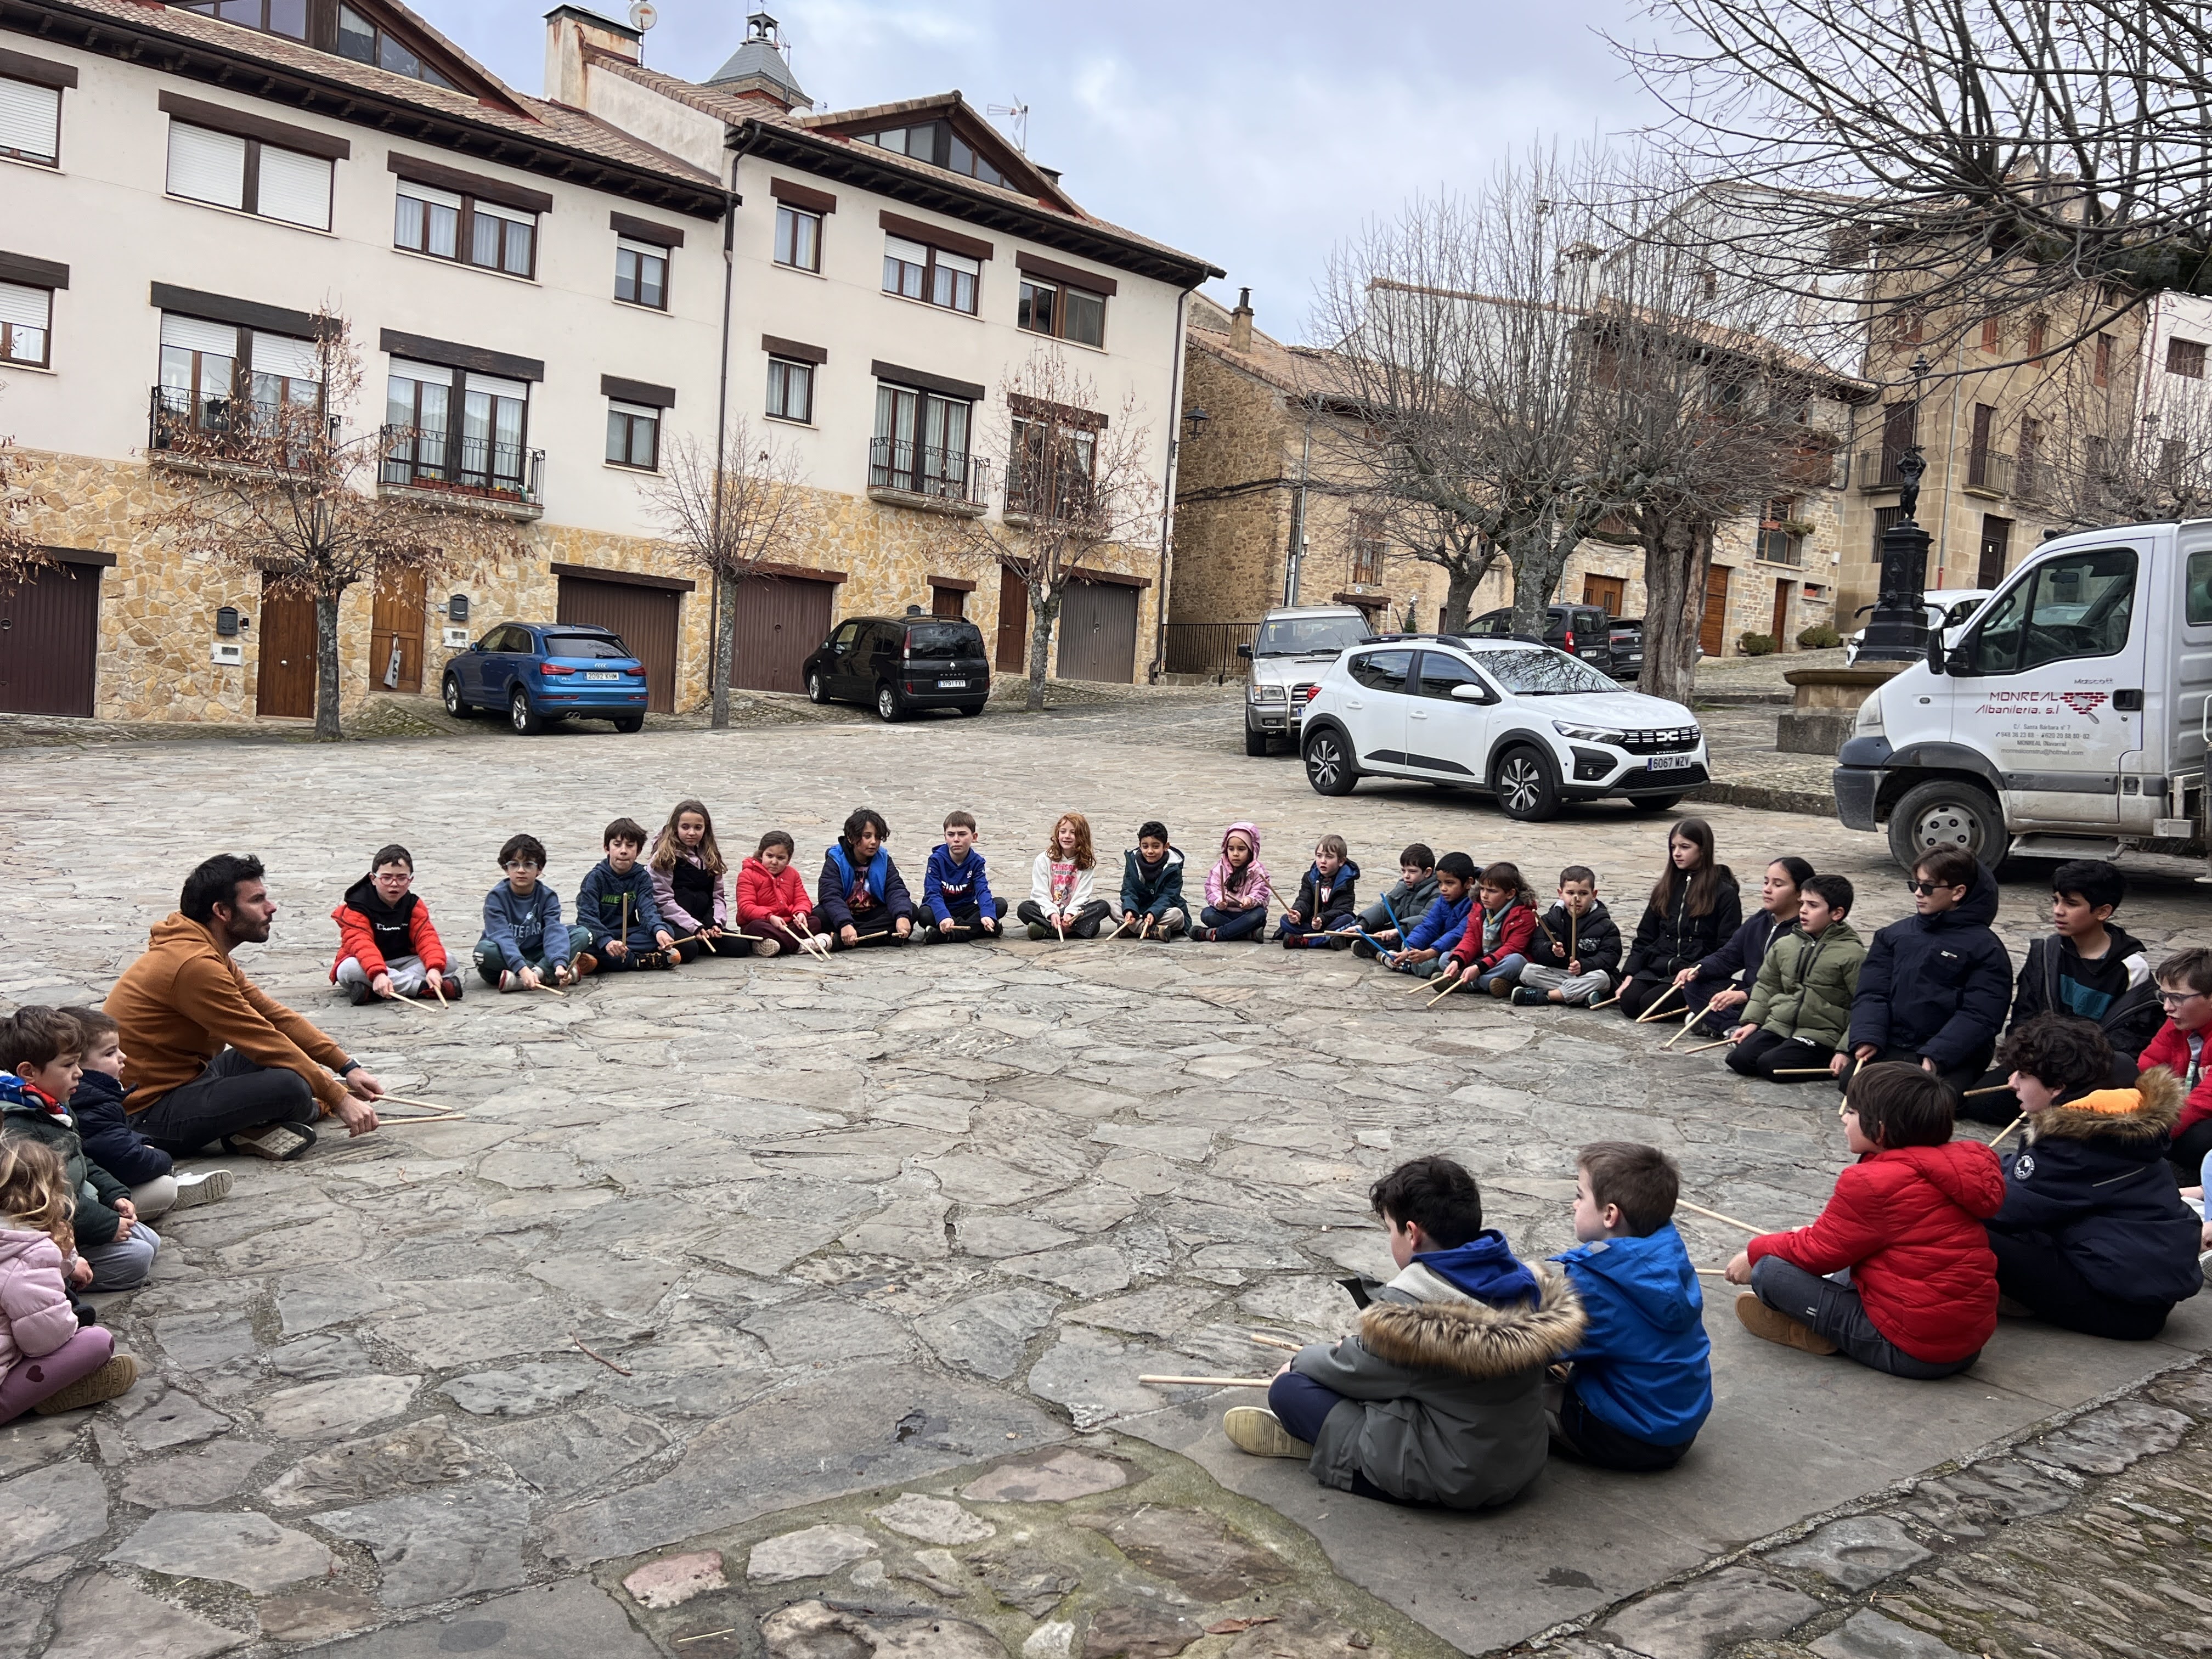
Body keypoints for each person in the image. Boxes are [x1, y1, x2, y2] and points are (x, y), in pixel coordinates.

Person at [1220, 1155, 1585, 1509]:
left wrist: (1298, 1362)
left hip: (1459, 1478)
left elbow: (1349, 1369)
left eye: (1391, 1230)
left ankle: (1341, 1459)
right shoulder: (1519, 1280)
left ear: (1412, 1234)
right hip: (1521, 1461)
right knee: (1408, 1387)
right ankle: (1342, 1441)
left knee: (1290, 1389)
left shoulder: (1415, 1312)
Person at [1726, 1063, 2003, 1379]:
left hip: (1913, 1352)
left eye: (1853, 1112)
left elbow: (1817, 1253)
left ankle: (1823, 1329)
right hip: (1965, 1344)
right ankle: (1825, 1321)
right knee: (1839, 1258)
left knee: (1769, 1272)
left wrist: (1753, 1253)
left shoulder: (1874, 1182)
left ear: (1881, 1129)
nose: (1844, 1117)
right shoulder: (1956, 1164)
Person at [106, 853, 385, 1161]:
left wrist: (347, 1067)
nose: (271, 907)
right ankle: (288, 1114)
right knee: (289, 1084)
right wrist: (338, 1099)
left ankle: (247, 1128)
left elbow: (274, 1018)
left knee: (287, 1057)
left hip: (189, 1080)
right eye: (257, 900)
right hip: (145, 1112)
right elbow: (264, 1041)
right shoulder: (194, 965)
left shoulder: (204, 948)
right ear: (222, 912)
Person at [1985, 1013, 2201, 1339]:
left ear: (2058, 1087)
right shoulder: (2112, 1110)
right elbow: (2024, 1172)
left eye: (2023, 1075)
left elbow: (2004, 1207)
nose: (2012, 1082)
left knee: (1958, 1224)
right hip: (2137, 1287)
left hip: (2119, 1305)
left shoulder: (2075, 1142)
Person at [1547, 1142, 1712, 1471]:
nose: (1573, 1205)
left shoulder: (1597, 1286)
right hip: (1681, 1427)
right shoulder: (1668, 1252)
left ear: (1610, 1215)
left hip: (1629, 1437)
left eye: (1580, 1196)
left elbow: (1543, 1346)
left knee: (1511, 1395)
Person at [1961, 860, 2160, 1124]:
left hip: (2091, 1072)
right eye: (2055, 901)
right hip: (2040, 1064)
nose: (2058, 911)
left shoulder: (2132, 969)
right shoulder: (2046, 953)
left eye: (2071, 904)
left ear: (2103, 911)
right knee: (1975, 1102)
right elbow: (2024, 1017)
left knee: (2086, 1114)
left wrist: (2061, 1076)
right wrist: (2024, 1068)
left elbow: (2126, 1042)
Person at [1, 1008, 159, 1291]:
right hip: (49, 1230)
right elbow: (43, 1201)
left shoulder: (53, 1105)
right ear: (29, 1073)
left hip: (80, 1212)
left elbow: (80, 1159)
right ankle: (58, 1281)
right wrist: (106, 1224)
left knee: (151, 1241)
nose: (80, 1073)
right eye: (68, 1065)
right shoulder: (18, 1129)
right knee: (138, 1257)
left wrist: (114, 1194)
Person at [1835, 847, 2011, 1097]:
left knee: (1926, 1097)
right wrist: (1868, 1037)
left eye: (1928, 887)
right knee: (1855, 1083)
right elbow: (1872, 993)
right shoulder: (1893, 935)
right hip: (1894, 1043)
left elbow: (1981, 1015)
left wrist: (1936, 1056)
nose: (1918, 893)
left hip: (1951, 1053)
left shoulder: (1986, 948)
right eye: (1915, 885)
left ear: (1958, 892)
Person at [0, 1141, 138, 1424]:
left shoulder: (13, 1241)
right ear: (49, 1194)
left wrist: (64, 1259)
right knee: (97, 1342)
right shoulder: (29, 1255)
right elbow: (44, 1342)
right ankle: (38, 1395)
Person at [59, 1008, 229, 1215]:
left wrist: (143, 1144)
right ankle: (173, 1190)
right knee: (164, 1190)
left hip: (101, 1180)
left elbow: (115, 1138)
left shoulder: (94, 1094)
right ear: (76, 1064)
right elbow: (125, 1161)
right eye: (110, 1053)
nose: (123, 1057)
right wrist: (163, 1159)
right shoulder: (90, 1101)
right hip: (92, 1197)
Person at [1725, 874, 1864, 1083]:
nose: (1803, 910)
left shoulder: (1853, 955)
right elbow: (1767, 985)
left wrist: (1844, 1050)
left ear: (1837, 913)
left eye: (1813, 905)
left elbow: (1863, 1005)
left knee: (1770, 1066)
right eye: (1802, 903)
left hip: (1821, 1034)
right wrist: (1754, 1021)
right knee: (1739, 1059)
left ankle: (1829, 1063)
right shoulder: (1786, 945)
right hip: (1781, 1026)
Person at [1673, 857, 1814, 1039]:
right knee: (1695, 985)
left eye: (1778, 885)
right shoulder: (1760, 920)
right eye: (1766, 882)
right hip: (1750, 993)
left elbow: (1791, 986)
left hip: (1776, 998)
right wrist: (1697, 969)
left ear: (1800, 893)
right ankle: (1732, 1027)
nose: (1767, 889)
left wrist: (1745, 995)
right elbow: (1728, 955)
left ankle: (1724, 1025)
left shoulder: (1805, 931)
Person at [1618, 820, 1742, 1022]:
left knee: (1649, 1005)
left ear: (1703, 849)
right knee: (1629, 1003)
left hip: (1692, 974)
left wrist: (1699, 971)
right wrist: (1630, 973)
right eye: (1673, 847)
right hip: (1656, 967)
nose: (1677, 853)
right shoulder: (1665, 888)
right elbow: (1645, 937)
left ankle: (1697, 1001)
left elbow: (1728, 947)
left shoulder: (1724, 893)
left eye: (1685, 847)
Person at [330, 844, 460, 1005]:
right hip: (366, 963)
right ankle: (421, 989)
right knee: (348, 969)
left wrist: (434, 968)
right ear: (373, 879)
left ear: (411, 879)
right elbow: (362, 945)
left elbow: (427, 939)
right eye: (386, 878)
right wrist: (378, 974)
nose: (394, 884)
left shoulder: (414, 905)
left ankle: (374, 991)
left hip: (403, 964)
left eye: (401, 878)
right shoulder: (356, 907)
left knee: (448, 961)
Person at [475, 834, 593, 991]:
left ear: (539, 869)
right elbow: (501, 935)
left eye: (528, 864)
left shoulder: (547, 896)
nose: (521, 870)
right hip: (506, 954)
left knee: (583, 934)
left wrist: (559, 963)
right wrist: (522, 968)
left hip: (538, 953)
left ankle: (533, 977)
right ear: (506, 868)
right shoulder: (496, 897)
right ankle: (546, 976)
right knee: (483, 952)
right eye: (514, 864)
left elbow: (553, 930)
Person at [2142, 947, 2212, 1179]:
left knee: (2200, 1139)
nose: (2167, 1007)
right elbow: (2149, 1066)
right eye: (2164, 996)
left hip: (2200, 1116)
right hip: (2184, 1106)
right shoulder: (2178, 1023)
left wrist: (2148, 1132)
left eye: (2178, 998)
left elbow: (2204, 1102)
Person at [1513, 866, 1624, 1009]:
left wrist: (1584, 965)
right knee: (1528, 971)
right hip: (1561, 973)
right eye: (1570, 893)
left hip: (1589, 975)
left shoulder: (1605, 925)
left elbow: (1610, 956)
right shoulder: (1551, 920)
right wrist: (1551, 950)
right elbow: (1536, 949)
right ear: (1560, 893)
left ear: (1594, 894)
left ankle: (1549, 996)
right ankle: (1581, 996)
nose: (1576, 899)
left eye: (1583, 893)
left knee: (1602, 978)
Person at [578, 818, 681, 970]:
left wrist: (659, 930)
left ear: (638, 851)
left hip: (630, 935)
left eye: (630, 845)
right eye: (617, 844)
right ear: (607, 848)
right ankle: (638, 961)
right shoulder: (595, 878)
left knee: (666, 930)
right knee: (577, 938)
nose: (624, 850)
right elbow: (587, 917)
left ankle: (605, 961)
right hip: (602, 934)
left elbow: (648, 911)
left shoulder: (642, 877)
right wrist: (607, 941)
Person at [1436, 862, 1538, 997]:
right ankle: (1491, 983)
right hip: (1482, 959)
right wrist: (1458, 961)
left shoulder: (1524, 916)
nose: (1484, 895)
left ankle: (1467, 984)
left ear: (1510, 894)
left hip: (1501, 961)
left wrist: (1479, 968)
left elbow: (1512, 948)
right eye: (1483, 889)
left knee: (1516, 961)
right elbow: (1471, 938)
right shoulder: (1479, 907)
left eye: (1492, 891)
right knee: (1445, 959)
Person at [817, 808, 914, 949]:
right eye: (867, 836)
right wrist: (845, 923)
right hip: (846, 912)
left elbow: (895, 889)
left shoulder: (883, 859)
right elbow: (829, 895)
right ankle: (880, 936)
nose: (874, 842)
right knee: (819, 917)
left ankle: (849, 940)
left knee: (910, 910)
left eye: (878, 837)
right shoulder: (836, 860)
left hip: (872, 913)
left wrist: (902, 916)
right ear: (851, 838)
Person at [648, 799, 732, 958]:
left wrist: (716, 923)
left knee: (738, 947)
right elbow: (662, 900)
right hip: (674, 920)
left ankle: (704, 937)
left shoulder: (710, 855)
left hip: (702, 920)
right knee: (689, 950)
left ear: (705, 829)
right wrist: (692, 925)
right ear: (675, 828)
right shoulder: (664, 858)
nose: (692, 833)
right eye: (685, 827)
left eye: (698, 828)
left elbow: (717, 896)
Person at [1379, 853, 1476, 980]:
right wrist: (1408, 950)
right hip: (1442, 943)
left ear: (1468, 883)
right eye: (1440, 883)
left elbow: (1458, 934)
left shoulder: (1476, 904)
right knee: (1407, 945)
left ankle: (1408, 967)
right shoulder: (1444, 900)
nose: (1443, 889)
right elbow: (1429, 926)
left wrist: (1428, 954)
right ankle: (1409, 962)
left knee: (1444, 960)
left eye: (1449, 883)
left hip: (1461, 947)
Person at [738, 831, 829, 956]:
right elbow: (746, 907)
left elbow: (802, 899)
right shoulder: (747, 875)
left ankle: (773, 944)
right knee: (756, 927)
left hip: (788, 923)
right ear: (761, 855)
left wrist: (801, 913)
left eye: (781, 858)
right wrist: (770, 917)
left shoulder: (793, 874)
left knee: (815, 921)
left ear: (788, 860)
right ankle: (801, 945)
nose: (774, 862)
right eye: (770, 856)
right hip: (763, 922)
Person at [921, 811, 1007, 943]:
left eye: (962, 834)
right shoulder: (936, 860)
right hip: (942, 907)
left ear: (974, 837)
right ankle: (980, 930)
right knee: (923, 915)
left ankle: (950, 935)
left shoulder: (977, 862)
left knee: (1000, 905)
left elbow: (982, 890)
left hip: (966, 908)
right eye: (951, 835)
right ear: (945, 837)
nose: (956, 839)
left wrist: (987, 915)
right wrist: (943, 916)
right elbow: (933, 893)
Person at [1020, 813, 1109, 940]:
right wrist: (1051, 913)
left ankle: (1049, 930)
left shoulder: (1085, 863)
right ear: (1057, 834)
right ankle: (1071, 930)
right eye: (1063, 831)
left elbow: (1083, 895)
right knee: (1024, 909)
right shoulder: (1043, 859)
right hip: (1048, 910)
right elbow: (1039, 893)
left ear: (1082, 837)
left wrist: (1071, 913)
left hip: (1072, 913)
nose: (1067, 836)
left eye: (1073, 833)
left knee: (1103, 906)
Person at [1347, 844, 1440, 957]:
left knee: (1403, 944)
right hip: (1397, 930)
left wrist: (1398, 931)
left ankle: (1382, 954)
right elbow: (1385, 907)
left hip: (1413, 934)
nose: (1406, 876)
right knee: (1368, 933)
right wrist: (1362, 925)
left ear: (1427, 872)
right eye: (1403, 871)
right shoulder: (1403, 886)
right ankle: (1377, 951)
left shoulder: (1437, 893)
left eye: (1412, 871)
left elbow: (1425, 920)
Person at [1276, 833, 1360, 949]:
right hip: (1311, 922)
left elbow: (1343, 909)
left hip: (1330, 921)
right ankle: (1328, 939)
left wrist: (1323, 919)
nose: (1323, 861)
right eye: (1319, 856)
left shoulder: (1346, 881)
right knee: (1285, 921)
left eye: (1329, 857)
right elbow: (1304, 900)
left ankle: (1306, 941)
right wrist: (1298, 913)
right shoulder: (1309, 877)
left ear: (1341, 861)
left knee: (1349, 920)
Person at [1110, 820, 1187, 941]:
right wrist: (1130, 910)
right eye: (1145, 846)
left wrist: (1154, 913)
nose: (1150, 851)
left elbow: (1170, 896)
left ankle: (1132, 929)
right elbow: (1128, 889)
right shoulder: (1133, 863)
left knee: (1177, 915)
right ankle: (1154, 931)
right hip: (1138, 910)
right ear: (1140, 845)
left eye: (1156, 846)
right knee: (1113, 907)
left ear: (1166, 846)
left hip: (1162, 911)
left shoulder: (1174, 867)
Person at [1199, 822, 1272, 943]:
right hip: (1225, 913)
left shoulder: (1258, 871)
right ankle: (1247, 934)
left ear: (1251, 850)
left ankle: (1217, 934)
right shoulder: (1219, 868)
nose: (1235, 854)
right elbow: (1211, 889)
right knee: (1207, 914)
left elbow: (1261, 891)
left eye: (1241, 849)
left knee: (1259, 914)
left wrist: (1250, 900)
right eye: (1231, 849)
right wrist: (1219, 902)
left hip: (1247, 914)